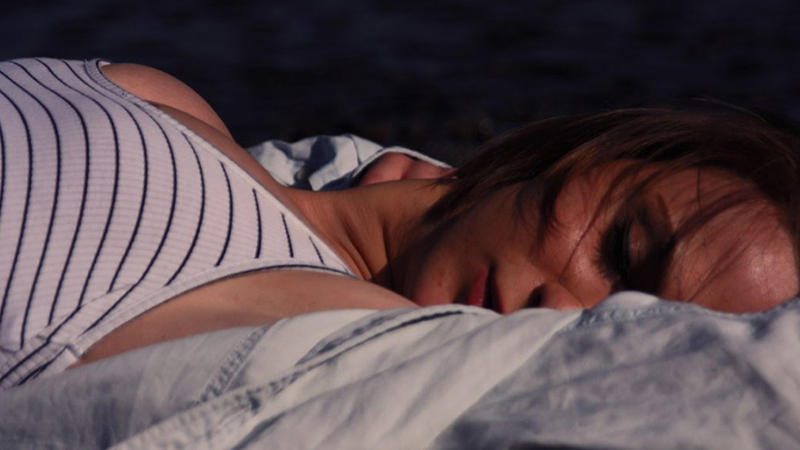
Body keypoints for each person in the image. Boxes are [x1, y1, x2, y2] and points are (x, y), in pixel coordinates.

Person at [0, 57, 798, 390]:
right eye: (623, 251)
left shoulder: (336, 344)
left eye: (632, 343)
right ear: (567, 154)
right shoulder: (158, 93)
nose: (565, 312)